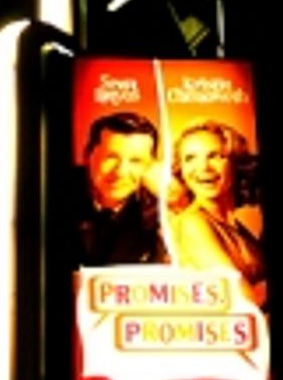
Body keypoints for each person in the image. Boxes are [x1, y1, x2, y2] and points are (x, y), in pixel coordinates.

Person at [167, 122, 266, 304]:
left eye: (214, 156)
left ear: (235, 163)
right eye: (190, 158)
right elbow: (241, 300)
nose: (203, 167)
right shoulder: (192, 223)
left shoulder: (236, 227)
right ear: (180, 169)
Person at [76, 112, 168, 265]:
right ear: (88, 155)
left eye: (136, 161)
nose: (120, 171)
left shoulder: (159, 215)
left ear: (151, 166)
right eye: (111, 157)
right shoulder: (49, 194)